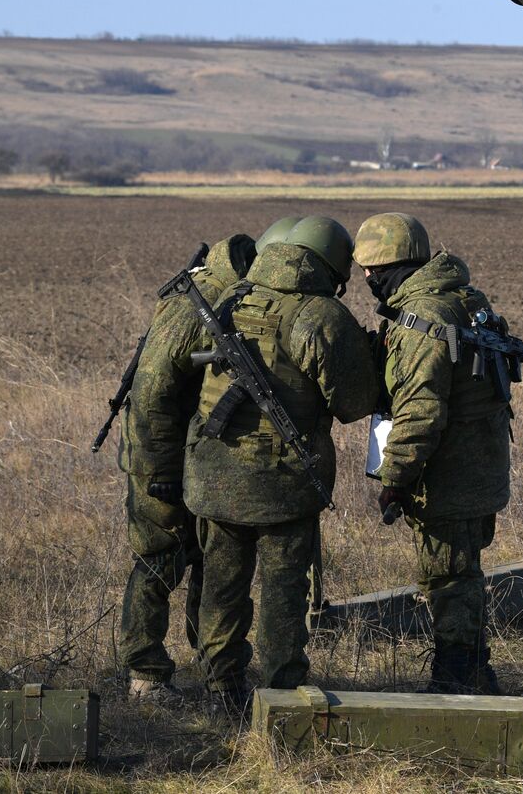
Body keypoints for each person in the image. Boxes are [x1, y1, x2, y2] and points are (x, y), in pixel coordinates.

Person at [182, 215, 378, 710]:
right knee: (282, 596)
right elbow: (355, 403)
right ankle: (281, 697)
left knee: (221, 589)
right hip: (282, 484)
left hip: (214, 476)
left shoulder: (229, 299)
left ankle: (220, 688)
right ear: (330, 268)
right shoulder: (320, 316)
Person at [354, 212, 511, 693]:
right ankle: (473, 672)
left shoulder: (423, 320)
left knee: (449, 580)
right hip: (481, 466)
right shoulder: (464, 299)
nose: (365, 281)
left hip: (450, 476)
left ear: (385, 268)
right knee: (462, 573)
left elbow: (420, 412)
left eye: (369, 273)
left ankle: (458, 681)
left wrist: (395, 479)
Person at [118, 228, 276, 706]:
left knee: (209, 559)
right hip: (160, 456)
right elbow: (150, 395)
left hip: (196, 457)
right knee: (158, 560)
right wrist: (160, 468)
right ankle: (145, 674)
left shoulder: (221, 296)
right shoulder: (196, 305)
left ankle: (214, 671)